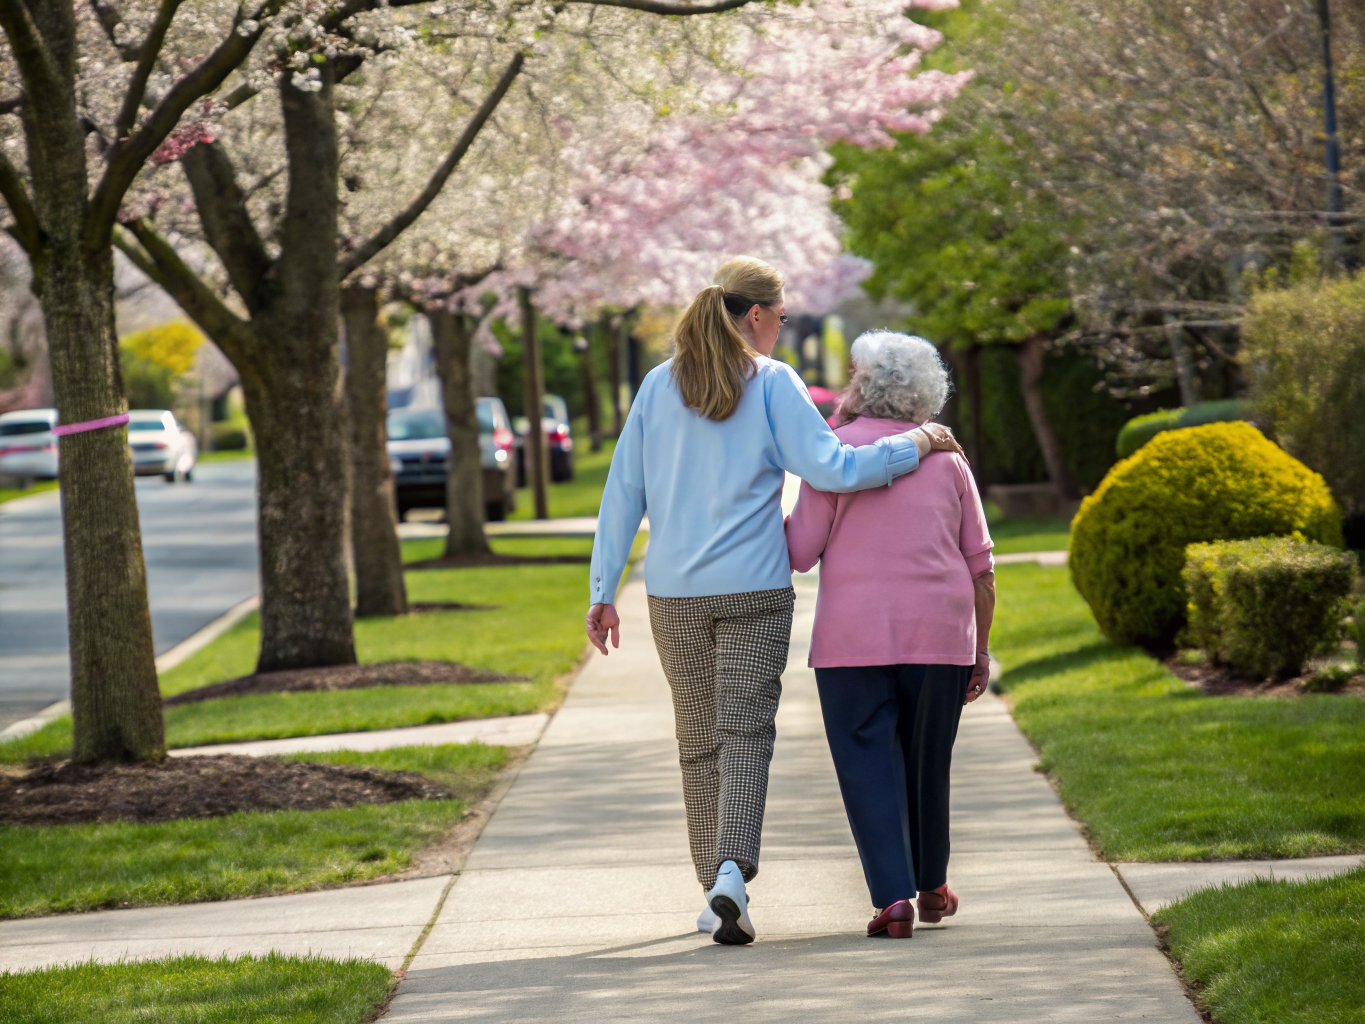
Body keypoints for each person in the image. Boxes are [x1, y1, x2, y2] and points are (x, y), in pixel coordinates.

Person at [585, 258, 961, 945]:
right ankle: (731, 871)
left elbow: (621, 494)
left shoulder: (655, 385)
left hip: (671, 592)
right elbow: (832, 468)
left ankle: (715, 890)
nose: (781, 331)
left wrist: (603, 589)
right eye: (782, 318)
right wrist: (917, 443)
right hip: (754, 587)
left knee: (698, 743)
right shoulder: (772, 382)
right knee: (746, 734)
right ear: (755, 316)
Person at [785, 330, 995, 939]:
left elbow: (800, 553)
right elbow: (981, 566)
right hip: (940, 636)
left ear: (862, 385)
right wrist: (979, 652)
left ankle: (893, 900)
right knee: (928, 761)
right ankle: (932, 886)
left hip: (852, 642)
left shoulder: (833, 454)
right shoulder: (949, 457)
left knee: (866, 762)